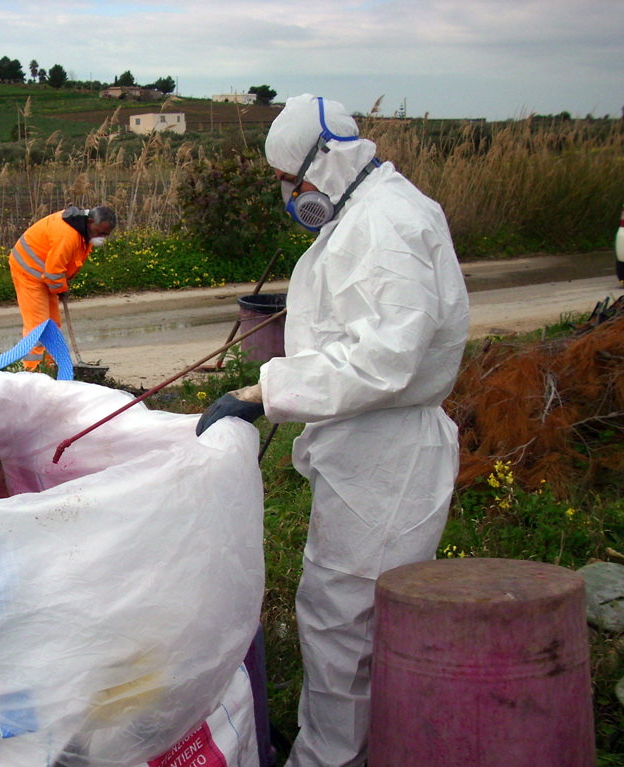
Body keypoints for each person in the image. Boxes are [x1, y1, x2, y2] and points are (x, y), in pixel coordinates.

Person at [196, 96, 470, 767]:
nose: (291, 197)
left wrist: (267, 392)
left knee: (343, 624)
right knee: (354, 620)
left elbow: (384, 358)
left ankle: (331, 759)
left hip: (387, 453)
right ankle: (364, 745)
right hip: (366, 447)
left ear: (325, 161)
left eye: (291, 183)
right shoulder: (363, 211)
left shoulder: (387, 224)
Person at [9, 205, 117, 370]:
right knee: (38, 327)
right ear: (89, 222)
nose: (102, 237)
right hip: (29, 271)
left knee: (52, 323)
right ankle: (35, 370)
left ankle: (49, 366)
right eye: (100, 232)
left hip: (47, 275)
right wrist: (61, 289)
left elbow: (60, 268)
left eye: (105, 234)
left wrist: (60, 285)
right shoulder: (68, 235)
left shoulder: (83, 230)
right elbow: (53, 272)